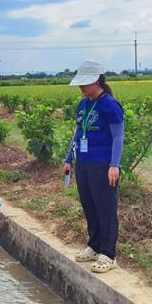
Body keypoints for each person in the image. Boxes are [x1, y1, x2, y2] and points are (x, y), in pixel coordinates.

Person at [63, 60, 124, 274]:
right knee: (90, 206)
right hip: (84, 164)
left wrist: (114, 165)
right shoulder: (84, 104)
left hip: (103, 164)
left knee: (106, 209)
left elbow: (118, 137)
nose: (81, 88)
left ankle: (108, 254)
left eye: (84, 84)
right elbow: (78, 133)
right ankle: (95, 246)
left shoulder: (110, 104)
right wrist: (69, 158)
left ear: (96, 81)